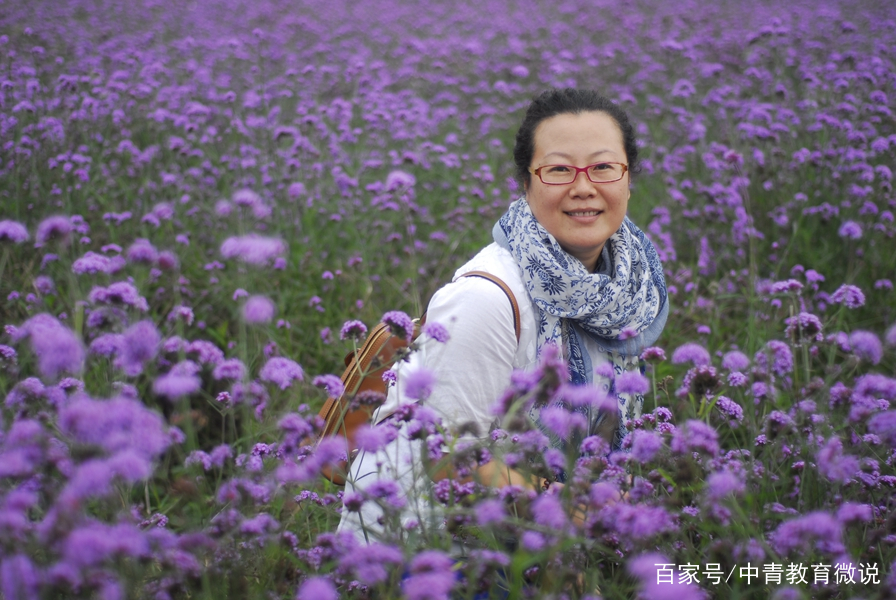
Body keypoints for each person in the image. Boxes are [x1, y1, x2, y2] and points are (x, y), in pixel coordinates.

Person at [338, 88, 668, 543]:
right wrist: (569, 506)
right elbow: (444, 457)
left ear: (628, 179)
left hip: (541, 540)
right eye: (558, 170)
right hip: (428, 551)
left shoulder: (628, 290)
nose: (584, 187)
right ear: (526, 183)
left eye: (604, 167)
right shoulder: (486, 298)